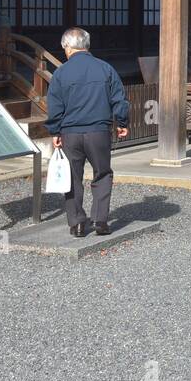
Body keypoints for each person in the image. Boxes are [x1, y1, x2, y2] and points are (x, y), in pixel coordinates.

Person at [44, 27, 130, 237]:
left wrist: (55, 131)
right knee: (102, 174)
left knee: (73, 177)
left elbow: (55, 105)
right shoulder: (105, 69)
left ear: (67, 47)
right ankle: (100, 221)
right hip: (98, 131)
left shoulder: (61, 73)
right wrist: (121, 122)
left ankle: (78, 223)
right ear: (87, 45)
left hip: (70, 133)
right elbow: (119, 98)